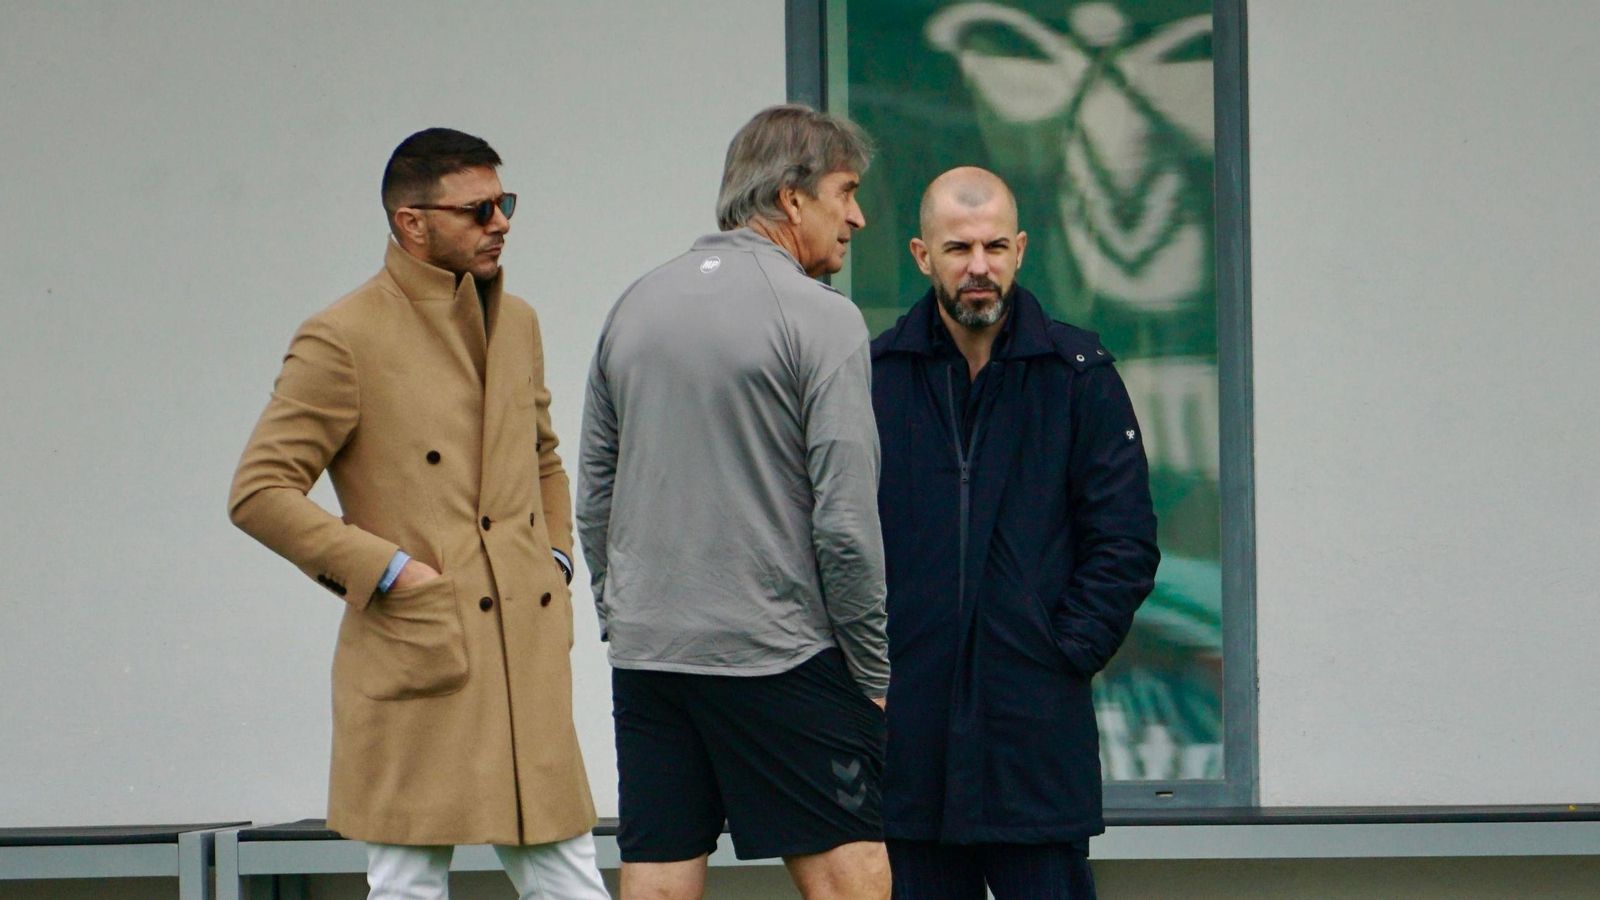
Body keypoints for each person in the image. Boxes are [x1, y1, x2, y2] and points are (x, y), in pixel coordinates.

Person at [228, 128, 609, 900]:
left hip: (521, 646)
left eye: (505, 203)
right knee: (407, 882)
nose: (501, 221)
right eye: (478, 209)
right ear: (412, 222)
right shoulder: (344, 335)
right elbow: (260, 490)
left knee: (568, 877)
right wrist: (391, 573)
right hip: (425, 642)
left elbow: (542, 456)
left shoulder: (519, 321)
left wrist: (556, 558)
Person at [576, 105, 891, 900]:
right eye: (845, 192)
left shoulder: (634, 306)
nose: (856, 215)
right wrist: (871, 671)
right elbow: (846, 525)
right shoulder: (825, 320)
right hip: (780, 651)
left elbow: (595, 495)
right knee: (853, 880)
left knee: (657, 879)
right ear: (792, 198)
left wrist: (625, 615)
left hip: (653, 657)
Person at [869, 167, 1160, 899]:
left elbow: (1124, 540)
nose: (978, 267)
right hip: (911, 740)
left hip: (1033, 733)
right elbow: (836, 536)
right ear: (920, 254)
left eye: (996, 246)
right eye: (958, 247)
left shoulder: (1077, 375)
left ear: (1021, 249)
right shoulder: (875, 377)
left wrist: (1062, 652)